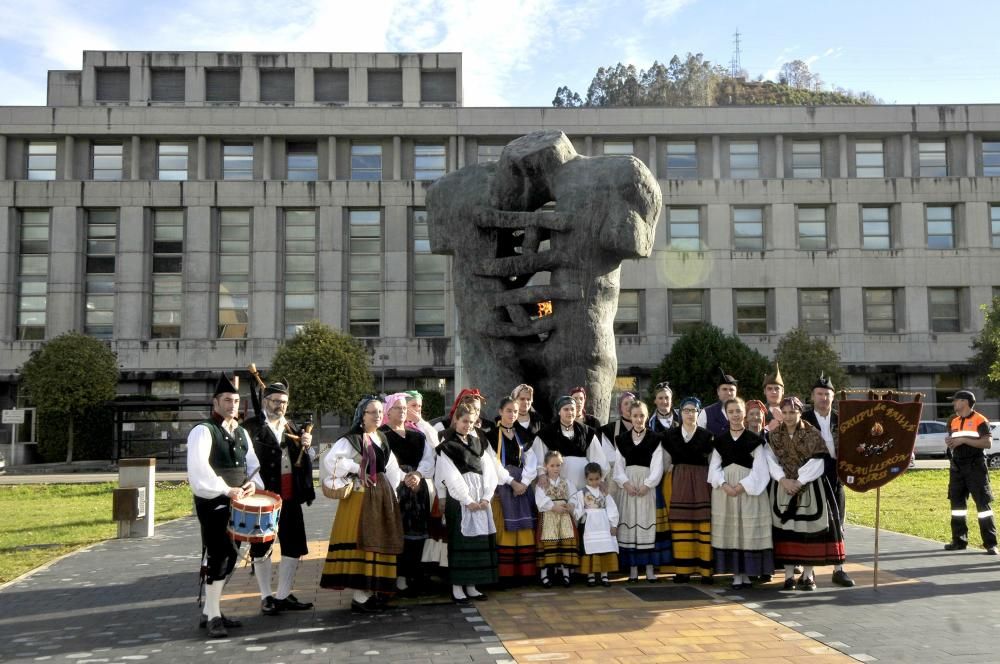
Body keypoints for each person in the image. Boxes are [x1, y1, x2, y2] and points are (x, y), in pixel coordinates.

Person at [187, 373, 264, 638]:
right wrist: (225, 489)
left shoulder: (242, 432)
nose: (232, 405)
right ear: (215, 402)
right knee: (219, 555)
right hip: (214, 501)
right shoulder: (203, 430)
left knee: (231, 554)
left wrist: (254, 484)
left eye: (235, 400)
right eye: (227, 400)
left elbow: (252, 465)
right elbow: (199, 470)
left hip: (239, 500)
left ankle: (211, 612)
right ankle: (213, 616)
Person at [320, 396, 404, 613]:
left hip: (381, 496)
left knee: (377, 539)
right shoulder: (351, 439)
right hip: (359, 500)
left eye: (379, 412)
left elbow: (391, 467)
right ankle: (359, 595)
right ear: (361, 415)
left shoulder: (382, 438)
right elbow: (332, 461)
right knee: (362, 540)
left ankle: (370, 592)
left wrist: (397, 489)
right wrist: (358, 467)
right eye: (372, 412)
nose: (377, 416)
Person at [244, 381, 315, 616]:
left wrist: (307, 446)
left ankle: (283, 595)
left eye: (284, 402)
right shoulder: (251, 427)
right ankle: (266, 597)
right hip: (263, 498)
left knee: (293, 545)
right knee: (261, 547)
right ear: (266, 401)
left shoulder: (292, 426)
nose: (280, 406)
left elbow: (306, 457)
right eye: (276, 401)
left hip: (290, 495)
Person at [765, 396, 845, 590]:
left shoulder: (812, 432)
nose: (788, 416)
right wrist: (783, 480)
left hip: (810, 487)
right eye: (784, 412)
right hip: (784, 487)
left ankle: (808, 575)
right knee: (787, 531)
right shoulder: (775, 435)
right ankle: (789, 575)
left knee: (809, 531)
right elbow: (770, 459)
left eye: (792, 412)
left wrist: (799, 481)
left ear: (800, 412)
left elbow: (818, 461)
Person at [435, 402, 500, 603]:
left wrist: (486, 496)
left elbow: (489, 470)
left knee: (477, 542)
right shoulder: (447, 445)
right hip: (461, 499)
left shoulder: (477, 441)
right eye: (464, 421)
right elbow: (449, 475)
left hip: (480, 497)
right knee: (460, 543)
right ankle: (457, 587)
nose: (468, 426)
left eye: (471, 422)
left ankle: (472, 585)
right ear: (456, 420)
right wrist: (467, 499)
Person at [707, 398, 773, 590]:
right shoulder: (719, 441)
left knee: (748, 529)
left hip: (749, 491)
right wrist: (725, 484)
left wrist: (742, 486)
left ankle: (748, 573)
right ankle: (737, 575)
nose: (735, 415)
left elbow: (761, 470)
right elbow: (714, 468)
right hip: (725, 493)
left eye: (738, 411)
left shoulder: (755, 440)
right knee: (732, 530)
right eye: (731, 411)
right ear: (726, 415)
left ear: (744, 413)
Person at [801, 375, 855, 586]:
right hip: (811, 476)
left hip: (835, 475)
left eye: (827, 394)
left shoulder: (843, 419)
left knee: (838, 523)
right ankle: (808, 573)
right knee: (811, 524)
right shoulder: (803, 419)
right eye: (820, 394)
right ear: (813, 396)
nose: (824, 398)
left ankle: (839, 569)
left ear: (833, 397)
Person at [379, 392, 436, 593]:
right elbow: (383, 464)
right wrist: (405, 477)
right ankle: (399, 575)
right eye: (398, 408)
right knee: (397, 531)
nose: (403, 411)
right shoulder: (381, 435)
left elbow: (429, 459)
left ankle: (415, 574)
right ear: (388, 410)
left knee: (418, 532)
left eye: (405, 408)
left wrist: (418, 474)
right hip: (393, 489)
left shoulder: (417, 435)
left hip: (417, 489)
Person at [663, 396, 715, 584]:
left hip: (701, 482)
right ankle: (682, 570)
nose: (690, 414)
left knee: (703, 524)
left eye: (693, 410)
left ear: (699, 413)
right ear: (680, 412)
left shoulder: (707, 435)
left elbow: (712, 462)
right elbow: (665, 462)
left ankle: (705, 571)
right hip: (678, 482)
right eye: (686, 410)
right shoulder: (670, 436)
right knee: (680, 524)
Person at [613, 401, 667, 582]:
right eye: (635, 415)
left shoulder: (655, 438)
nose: (638, 419)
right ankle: (633, 570)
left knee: (646, 524)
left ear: (646, 416)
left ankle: (650, 569)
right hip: (628, 488)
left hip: (646, 487)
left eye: (642, 415)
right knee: (630, 524)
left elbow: (658, 465)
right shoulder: (621, 439)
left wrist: (648, 484)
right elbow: (618, 466)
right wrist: (625, 483)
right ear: (630, 415)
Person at [943, 389, 997, 554]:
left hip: (975, 467)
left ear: (964, 402)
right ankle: (959, 540)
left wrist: (964, 440)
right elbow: (955, 442)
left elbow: (987, 443)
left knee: (983, 505)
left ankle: (990, 544)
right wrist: (951, 442)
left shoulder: (980, 420)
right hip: (957, 467)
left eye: (955, 400)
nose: (953, 403)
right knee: (957, 505)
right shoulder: (953, 420)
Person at [490, 397, 538, 583]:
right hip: (502, 485)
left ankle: (525, 574)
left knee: (524, 526)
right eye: (509, 410)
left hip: (522, 486)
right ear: (501, 411)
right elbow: (493, 463)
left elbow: (531, 461)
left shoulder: (523, 435)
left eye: (515, 411)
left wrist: (524, 483)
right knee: (505, 527)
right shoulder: (491, 436)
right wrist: (511, 482)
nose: (512, 415)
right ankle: (505, 575)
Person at [534, 396, 608, 488]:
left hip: (583, 484)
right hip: (557, 485)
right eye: (566, 409)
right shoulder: (546, 433)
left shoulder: (587, 432)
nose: (570, 412)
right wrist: (541, 474)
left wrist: (600, 479)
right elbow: (539, 458)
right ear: (559, 412)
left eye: (572, 409)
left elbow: (597, 457)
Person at [535, 450, 580, 586]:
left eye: (558, 465)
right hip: (549, 517)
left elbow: (574, 496)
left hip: (564, 518)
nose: (556, 468)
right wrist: (553, 507)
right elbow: (540, 500)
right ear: (546, 466)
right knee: (549, 544)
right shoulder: (542, 483)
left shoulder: (566, 482)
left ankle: (565, 574)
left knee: (565, 543)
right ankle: (544, 575)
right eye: (552, 465)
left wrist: (571, 504)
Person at [571, 462, 620, 587]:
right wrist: (576, 513)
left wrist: (613, 524)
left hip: (603, 525)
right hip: (589, 526)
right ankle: (591, 576)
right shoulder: (581, 493)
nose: (594, 482)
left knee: (605, 548)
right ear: (586, 478)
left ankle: (604, 576)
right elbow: (578, 509)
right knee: (590, 550)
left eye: (597, 479)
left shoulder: (604, 492)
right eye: (591, 479)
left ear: (601, 477)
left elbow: (611, 508)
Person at [697, 369, 738, 437]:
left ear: (736, 392)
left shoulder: (744, 412)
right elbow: (698, 438)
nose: (728, 393)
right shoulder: (706, 413)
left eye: (731, 390)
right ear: (718, 392)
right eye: (724, 389)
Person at [762, 365, 784, 434]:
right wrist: (767, 429)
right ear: (764, 391)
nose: (773, 392)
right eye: (769, 389)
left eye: (777, 388)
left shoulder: (793, 411)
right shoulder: (759, 412)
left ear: (782, 391)